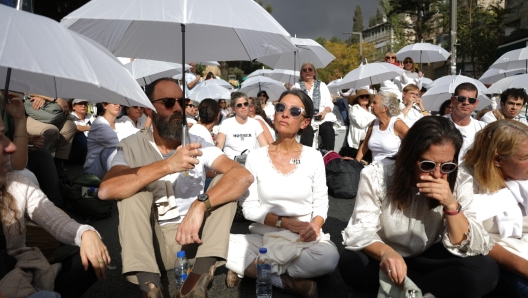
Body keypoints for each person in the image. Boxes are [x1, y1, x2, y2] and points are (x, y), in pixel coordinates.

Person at [98, 78, 253, 298]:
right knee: (131, 192)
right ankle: (150, 287)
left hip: (196, 242)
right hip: (151, 247)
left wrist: (200, 205)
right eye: (169, 102)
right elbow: (106, 190)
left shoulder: (198, 143)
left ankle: (197, 280)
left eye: (182, 101)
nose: (179, 108)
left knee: (224, 183)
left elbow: (243, 176)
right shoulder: (130, 146)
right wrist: (167, 165)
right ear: (148, 109)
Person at [340, 116, 499, 298]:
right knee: (351, 261)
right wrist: (386, 253)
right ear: (410, 156)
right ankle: (421, 290)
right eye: (427, 164)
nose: (437, 174)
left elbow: (465, 242)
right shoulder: (378, 175)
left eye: (447, 165)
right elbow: (361, 228)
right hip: (384, 251)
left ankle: (405, 290)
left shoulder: (459, 180)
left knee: (486, 269)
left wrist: (450, 204)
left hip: (428, 253)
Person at [225, 90, 339, 298]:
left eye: (294, 111)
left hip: (302, 239)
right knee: (220, 244)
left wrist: (314, 226)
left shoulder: (313, 157)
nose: (285, 114)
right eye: (280, 108)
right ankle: (284, 282)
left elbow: (321, 203)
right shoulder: (255, 157)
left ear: (304, 123)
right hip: (265, 236)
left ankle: (250, 269)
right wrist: (284, 223)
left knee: (329, 257)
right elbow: (249, 208)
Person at [0, 111, 111, 297]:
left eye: (4, 134)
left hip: (19, 272)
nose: (11, 146)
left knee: (95, 258)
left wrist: (87, 233)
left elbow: (55, 219)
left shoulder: (16, 184)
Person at [463, 120, 528, 297]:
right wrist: (523, 266)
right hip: (497, 260)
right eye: (525, 157)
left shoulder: (523, 177)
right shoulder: (465, 180)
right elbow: (470, 237)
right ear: (498, 159)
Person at [25, 94, 76, 178]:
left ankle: (58, 163)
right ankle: (36, 163)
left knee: (70, 126)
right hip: (30, 114)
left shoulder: (62, 84)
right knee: (51, 130)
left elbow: (66, 103)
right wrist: (54, 99)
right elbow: (26, 90)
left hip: (49, 114)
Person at [293, 62, 337, 151]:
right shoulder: (296, 86)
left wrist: (324, 112)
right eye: (304, 70)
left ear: (314, 72)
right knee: (307, 131)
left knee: (328, 129)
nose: (307, 72)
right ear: (301, 74)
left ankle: (329, 157)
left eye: (310, 69)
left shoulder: (322, 85)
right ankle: (305, 157)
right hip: (304, 117)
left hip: (321, 116)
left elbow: (329, 103)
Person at [355, 91, 408, 163]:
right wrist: (355, 163)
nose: (371, 105)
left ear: (384, 108)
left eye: (375, 103)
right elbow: (365, 144)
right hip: (374, 169)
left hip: (393, 170)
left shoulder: (397, 123)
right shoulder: (374, 123)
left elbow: (415, 143)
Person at [84, 102, 132, 179]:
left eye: (120, 103)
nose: (118, 105)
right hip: (93, 170)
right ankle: (122, 181)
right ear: (104, 105)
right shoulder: (99, 124)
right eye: (114, 102)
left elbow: (138, 136)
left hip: (109, 166)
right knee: (114, 150)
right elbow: (119, 142)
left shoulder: (120, 123)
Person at [216, 92, 268, 160]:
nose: (243, 107)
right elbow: (219, 146)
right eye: (239, 105)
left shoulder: (255, 123)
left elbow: (264, 147)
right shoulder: (226, 123)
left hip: (250, 164)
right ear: (234, 109)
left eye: (246, 104)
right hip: (231, 165)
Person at [444, 82, 486, 163]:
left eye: (471, 100)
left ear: (476, 103)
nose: (466, 103)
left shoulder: (483, 128)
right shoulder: (439, 124)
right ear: (453, 100)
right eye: (461, 98)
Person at [69, 99, 94, 163]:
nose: (83, 106)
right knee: (78, 135)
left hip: (89, 145)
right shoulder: (70, 117)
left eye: (85, 104)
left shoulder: (90, 116)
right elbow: (74, 128)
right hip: (75, 150)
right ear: (73, 107)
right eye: (80, 104)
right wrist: (91, 127)